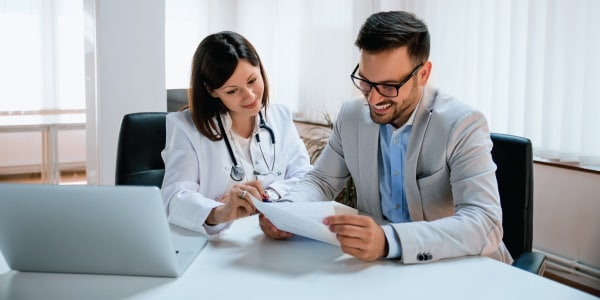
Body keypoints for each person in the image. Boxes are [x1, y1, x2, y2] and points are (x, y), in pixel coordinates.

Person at [259, 11, 513, 264]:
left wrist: (390, 240)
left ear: (423, 74)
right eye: (366, 82)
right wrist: (286, 211)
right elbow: (322, 180)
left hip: (460, 266)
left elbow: (484, 221)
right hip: (381, 268)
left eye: (390, 86)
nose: (374, 99)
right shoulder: (351, 116)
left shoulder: (462, 124)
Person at [161, 31, 311, 235]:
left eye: (252, 81)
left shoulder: (280, 117)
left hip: (273, 241)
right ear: (212, 91)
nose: (249, 96)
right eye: (232, 91)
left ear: (259, 67)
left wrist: (268, 195)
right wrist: (220, 212)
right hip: (218, 248)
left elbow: (305, 178)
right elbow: (174, 198)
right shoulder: (185, 127)